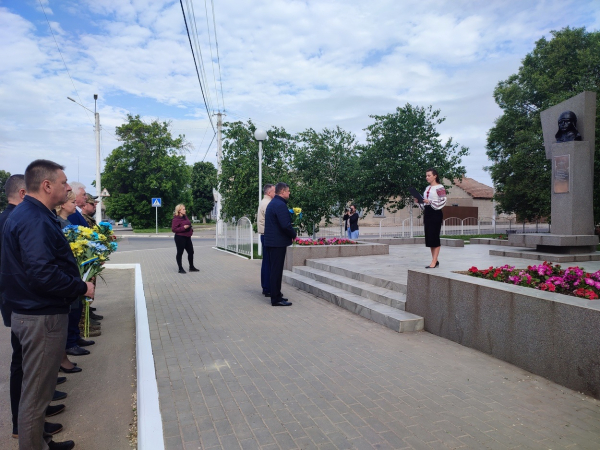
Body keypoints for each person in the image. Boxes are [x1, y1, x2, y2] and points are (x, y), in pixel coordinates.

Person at [0, 159, 95, 450]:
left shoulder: (30, 213)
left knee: (37, 390)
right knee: (36, 396)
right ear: (47, 185)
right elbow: (42, 273)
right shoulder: (33, 219)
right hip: (40, 316)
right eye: (64, 182)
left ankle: (42, 441)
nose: (69, 188)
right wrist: (81, 287)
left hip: (34, 312)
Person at [264, 182, 297, 306]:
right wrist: (293, 235)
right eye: (288, 191)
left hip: (272, 242)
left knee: (274, 270)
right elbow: (285, 225)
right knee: (276, 271)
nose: (289, 193)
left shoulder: (273, 203)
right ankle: (276, 299)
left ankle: (276, 295)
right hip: (277, 243)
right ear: (282, 192)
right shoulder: (280, 205)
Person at [418, 168, 447, 268]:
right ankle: (435, 260)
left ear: (435, 176)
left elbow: (443, 201)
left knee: (434, 236)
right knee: (429, 237)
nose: (427, 177)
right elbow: (424, 202)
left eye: (429, 175)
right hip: (428, 212)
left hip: (436, 212)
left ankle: (434, 261)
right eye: (426, 176)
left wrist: (429, 202)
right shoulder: (427, 188)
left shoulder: (440, 187)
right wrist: (419, 201)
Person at [257, 184, 275, 296]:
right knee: (269, 263)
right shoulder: (268, 204)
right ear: (269, 193)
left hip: (264, 234)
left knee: (266, 262)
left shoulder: (263, 202)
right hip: (268, 235)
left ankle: (266, 286)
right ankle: (268, 287)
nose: (276, 193)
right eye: (274, 191)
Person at [171, 204, 199, 274]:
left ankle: (191, 267)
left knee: (191, 252)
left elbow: (188, 224)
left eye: (184, 209)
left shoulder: (185, 217)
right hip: (180, 238)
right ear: (179, 210)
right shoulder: (176, 219)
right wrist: (183, 228)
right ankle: (180, 268)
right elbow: (174, 229)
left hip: (187, 237)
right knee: (180, 253)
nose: (185, 210)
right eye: (183, 209)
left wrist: (190, 230)